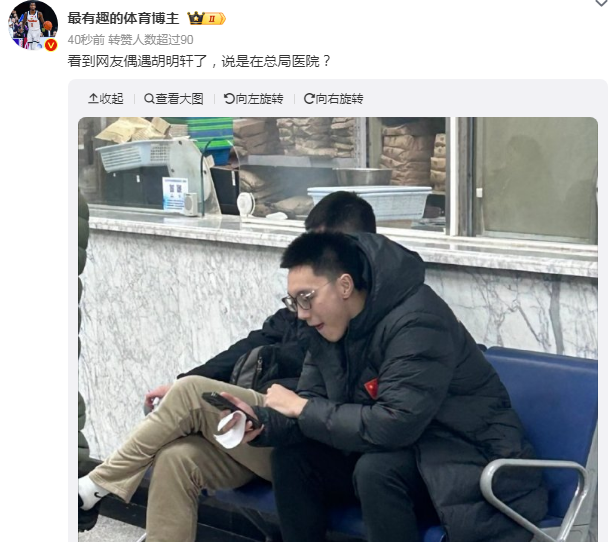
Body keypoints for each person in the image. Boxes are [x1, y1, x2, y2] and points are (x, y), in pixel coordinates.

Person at [77, 192, 377, 540]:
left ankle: (91, 489)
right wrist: (185, 381)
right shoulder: (302, 307)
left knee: (191, 394)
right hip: (264, 433)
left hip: (310, 448)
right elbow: (249, 345)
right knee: (178, 458)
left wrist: (191, 389)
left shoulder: (366, 314)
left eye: (318, 251)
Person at [225, 231, 548, 542]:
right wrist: (262, 422)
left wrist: (303, 408)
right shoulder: (327, 327)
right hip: (402, 451)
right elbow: (312, 403)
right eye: (294, 301)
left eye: (306, 298)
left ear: (345, 285)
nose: (301, 314)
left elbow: (396, 424)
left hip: (465, 456)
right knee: (292, 459)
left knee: (376, 470)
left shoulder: (418, 321)